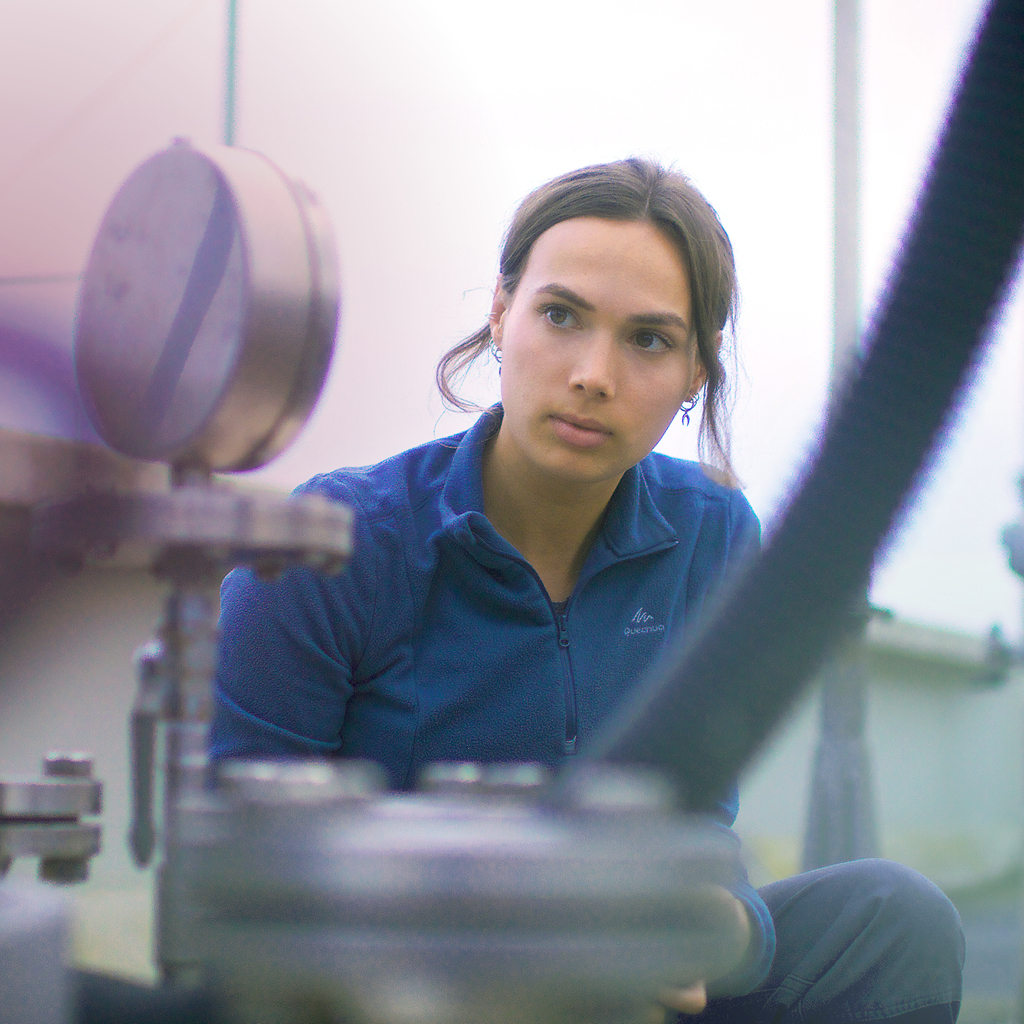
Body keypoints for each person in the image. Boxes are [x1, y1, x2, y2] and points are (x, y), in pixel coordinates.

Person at [211, 158, 965, 1023]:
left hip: (628, 974)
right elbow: (241, 858)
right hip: (405, 986)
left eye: (648, 339)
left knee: (893, 919)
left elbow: (696, 820)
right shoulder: (339, 540)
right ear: (501, 315)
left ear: (695, 372)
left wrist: (721, 923)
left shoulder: (713, 534)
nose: (593, 374)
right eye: (561, 315)